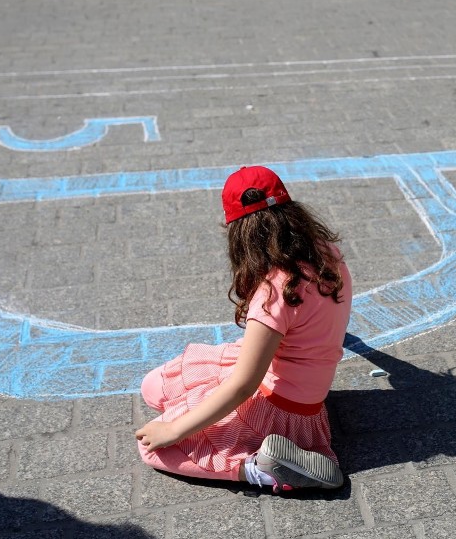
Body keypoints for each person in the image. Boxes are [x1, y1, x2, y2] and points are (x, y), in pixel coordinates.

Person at [135, 165, 351, 493]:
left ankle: (260, 469)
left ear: (238, 230)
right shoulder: (325, 253)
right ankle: (229, 440)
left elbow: (242, 387)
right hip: (298, 386)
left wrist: (175, 431)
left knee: (153, 447)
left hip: (280, 408)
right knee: (154, 388)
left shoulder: (274, 292)